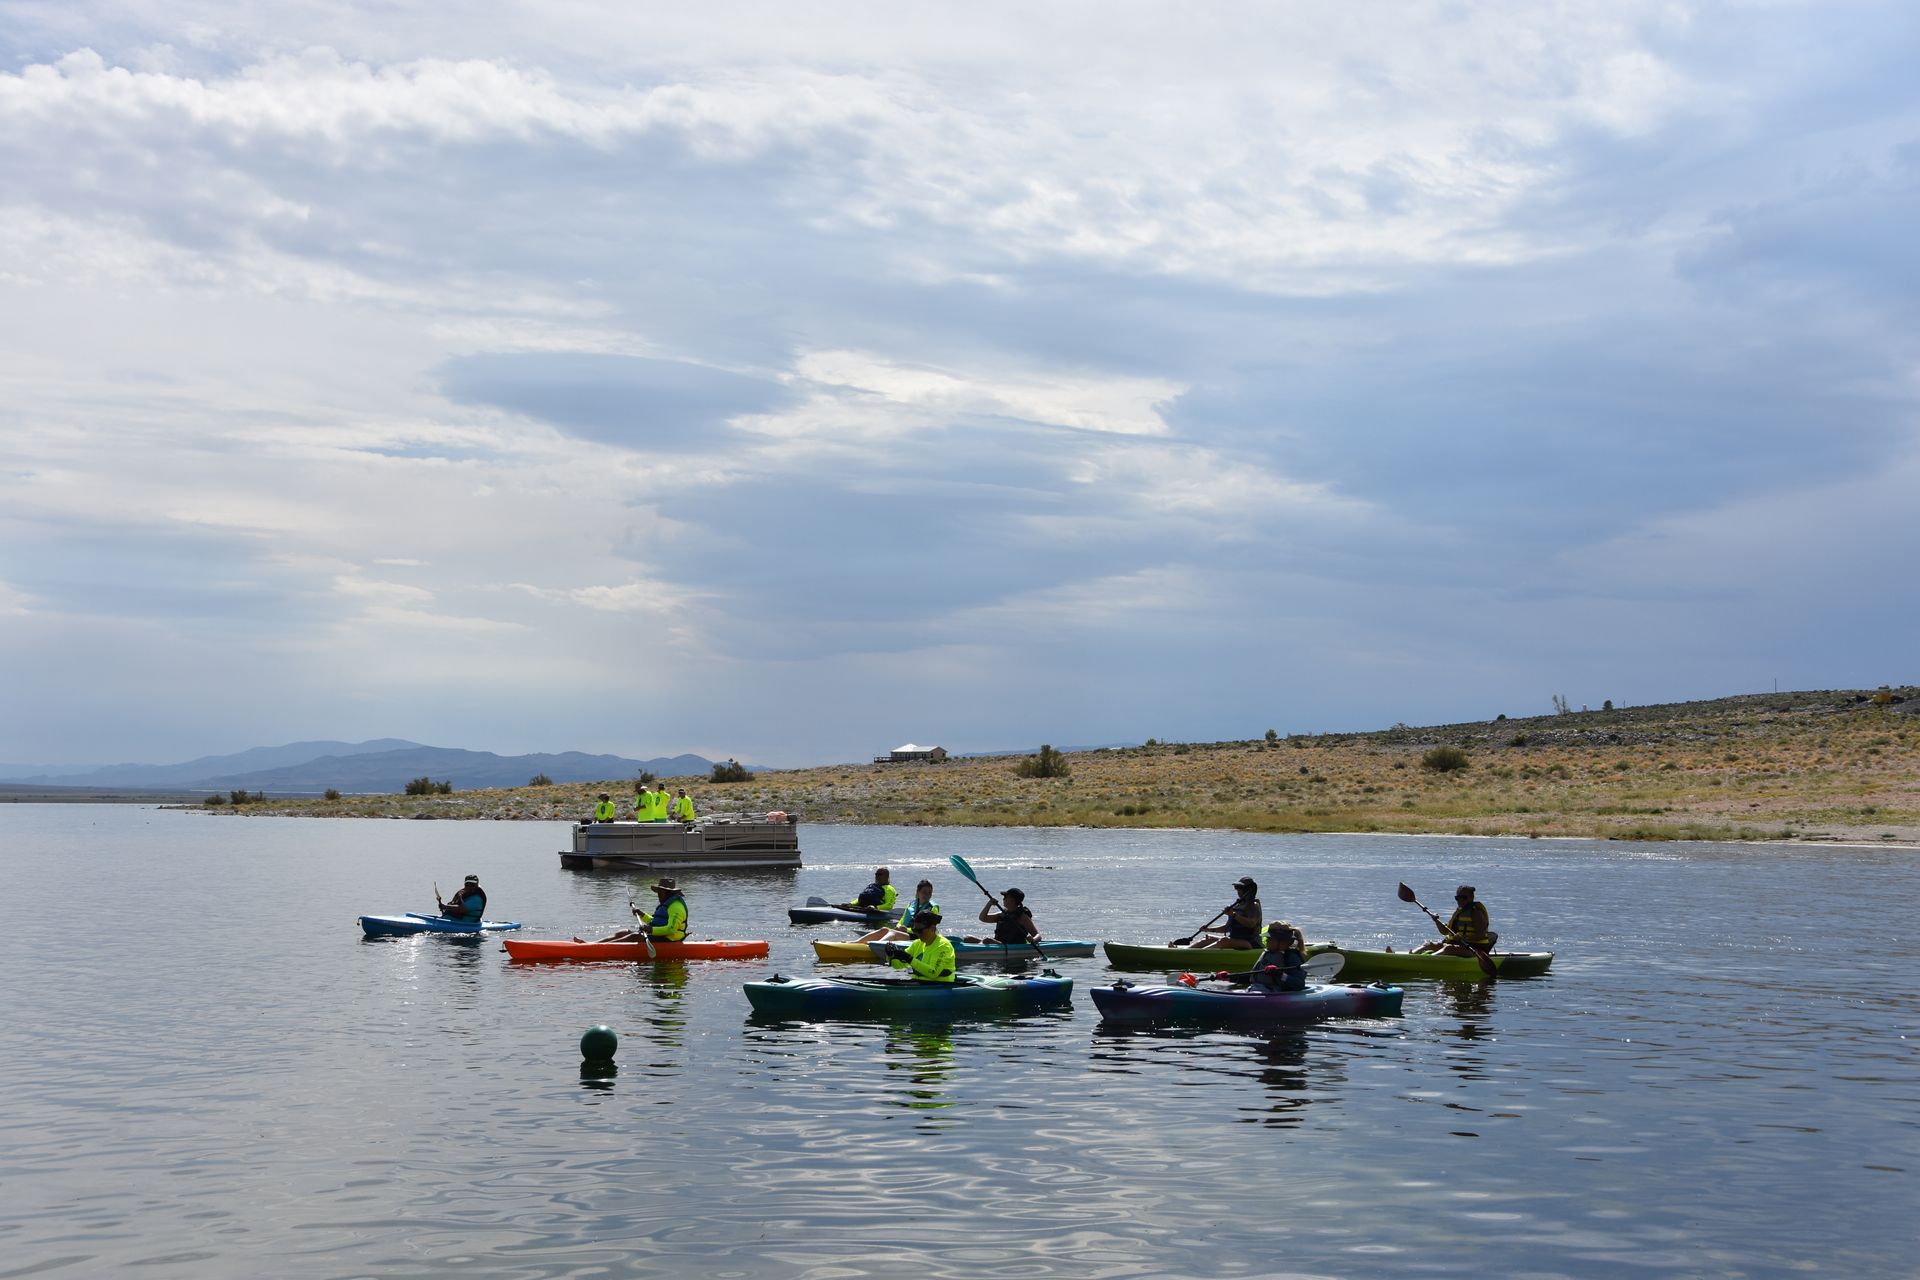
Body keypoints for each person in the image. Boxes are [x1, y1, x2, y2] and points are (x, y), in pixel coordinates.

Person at [1216, 922, 1307, 992]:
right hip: (1257, 990)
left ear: (1283, 942)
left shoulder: (1291, 957)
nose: (1266, 941)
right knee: (1227, 991)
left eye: (1269, 939)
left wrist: (1280, 974)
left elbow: (1299, 984)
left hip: (1275, 993)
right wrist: (1230, 977)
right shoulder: (1267, 953)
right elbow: (1253, 976)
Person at [596, 878, 689, 943]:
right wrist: (642, 915)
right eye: (658, 892)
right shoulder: (667, 903)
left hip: (670, 939)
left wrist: (650, 929)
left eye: (661, 892)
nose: (658, 895)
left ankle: (598, 949)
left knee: (635, 937)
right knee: (623, 932)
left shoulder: (676, 907)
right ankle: (592, 944)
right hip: (661, 935)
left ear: (668, 893)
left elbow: (671, 930)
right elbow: (656, 922)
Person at [1415, 885, 1497, 956]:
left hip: (1475, 949)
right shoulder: (1458, 912)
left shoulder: (1476, 913)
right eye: (1458, 898)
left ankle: (1429, 960)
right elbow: (1444, 931)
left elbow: (1482, 935)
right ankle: (1412, 955)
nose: (1460, 900)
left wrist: (1465, 938)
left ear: (1471, 898)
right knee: (1429, 945)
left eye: (1464, 898)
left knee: (1448, 949)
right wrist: (1436, 920)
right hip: (1458, 945)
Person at [855, 878, 937, 943]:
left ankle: (874, 946)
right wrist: (898, 927)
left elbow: (929, 928)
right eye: (924, 892)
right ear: (918, 892)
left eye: (929, 892)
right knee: (884, 929)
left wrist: (906, 930)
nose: (927, 895)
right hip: (904, 934)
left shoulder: (933, 907)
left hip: (919, 936)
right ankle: (855, 943)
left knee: (893, 933)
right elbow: (902, 920)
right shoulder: (912, 904)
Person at [1192, 877, 1262, 949]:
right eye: (1236, 888)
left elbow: (1251, 924)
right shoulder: (1238, 905)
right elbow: (1227, 927)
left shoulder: (1253, 905)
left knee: (1224, 941)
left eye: (1239, 888)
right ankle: (1187, 951)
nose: (1237, 890)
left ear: (1247, 890)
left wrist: (1233, 915)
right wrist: (1209, 929)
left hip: (1251, 943)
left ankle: (1197, 955)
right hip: (1235, 940)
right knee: (1207, 938)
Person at [885, 911, 956, 983]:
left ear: (932, 928)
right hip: (919, 984)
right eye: (915, 930)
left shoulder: (943, 946)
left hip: (939, 986)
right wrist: (891, 956)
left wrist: (909, 959)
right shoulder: (916, 944)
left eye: (920, 931)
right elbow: (897, 965)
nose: (917, 934)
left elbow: (933, 973)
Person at [965, 886, 1041, 947]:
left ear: (1012, 900)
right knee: (968, 938)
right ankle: (975, 947)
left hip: (1012, 946)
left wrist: (1033, 940)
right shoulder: (1002, 914)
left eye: (1005, 897)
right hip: (998, 944)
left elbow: (1038, 936)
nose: (1003, 899)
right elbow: (982, 918)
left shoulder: (1022, 917)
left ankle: (973, 951)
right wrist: (989, 904)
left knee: (987, 940)